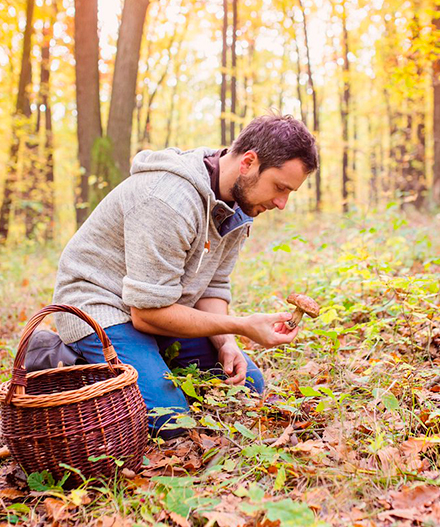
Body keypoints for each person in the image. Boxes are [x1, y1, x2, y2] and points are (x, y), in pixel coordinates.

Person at [50, 114, 319, 439]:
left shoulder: (241, 203)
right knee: (172, 422)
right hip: (100, 309)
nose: (281, 203)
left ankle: (148, 364)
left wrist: (227, 343)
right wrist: (241, 325)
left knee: (249, 385)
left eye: (289, 192)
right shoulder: (167, 201)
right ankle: (77, 368)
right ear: (249, 162)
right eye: (279, 187)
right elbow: (147, 314)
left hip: (160, 309)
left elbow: (214, 284)